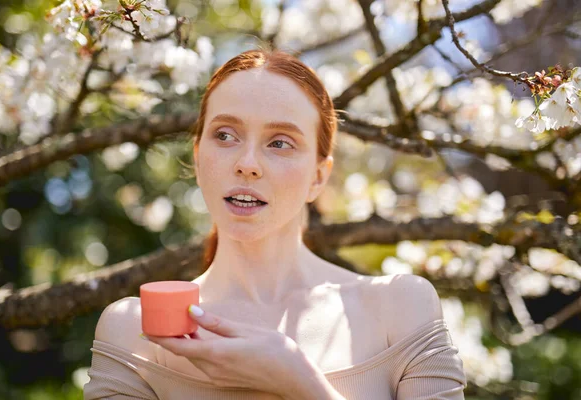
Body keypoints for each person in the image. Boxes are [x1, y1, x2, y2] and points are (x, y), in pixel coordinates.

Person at [83, 47, 467, 400]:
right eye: (225, 135)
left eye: (280, 142)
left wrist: (298, 381)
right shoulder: (136, 331)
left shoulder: (399, 309)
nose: (247, 163)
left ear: (318, 176)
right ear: (199, 159)